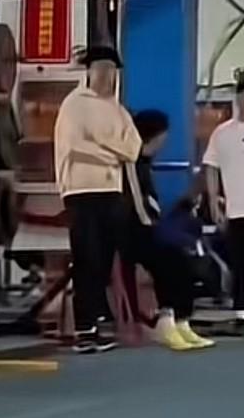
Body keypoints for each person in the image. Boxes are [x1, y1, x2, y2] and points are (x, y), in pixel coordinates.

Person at [53, 44, 140, 352]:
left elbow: (133, 149)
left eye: (112, 71)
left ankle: (94, 323)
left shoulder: (118, 109)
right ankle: (84, 329)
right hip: (81, 191)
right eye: (101, 69)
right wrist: (112, 153)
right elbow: (75, 146)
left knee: (103, 260)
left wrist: (102, 144)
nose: (107, 76)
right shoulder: (74, 104)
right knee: (86, 259)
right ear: (89, 71)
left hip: (111, 192)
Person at [122, 109, 213, 349]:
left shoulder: (146, 164)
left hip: (149, 228)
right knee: (169, 260)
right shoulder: (131, 165)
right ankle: (166, 321)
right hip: (133, 231)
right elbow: (136, 204)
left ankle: (182, 321)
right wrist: (150, 224)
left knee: (182, 258)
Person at [203, 72, 244, 327]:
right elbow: (211, 166)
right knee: (241, 262)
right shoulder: (222, 133)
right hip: (237, 209)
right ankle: (242, 310)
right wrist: (214, 200)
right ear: (239, 97)